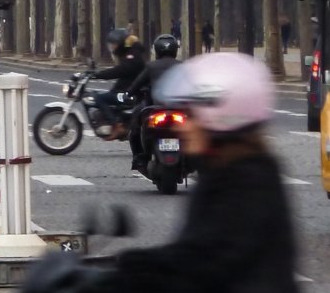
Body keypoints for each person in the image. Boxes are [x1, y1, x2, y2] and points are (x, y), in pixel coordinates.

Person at [91, 52, 299, 292]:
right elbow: (190, 254)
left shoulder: (248, 182)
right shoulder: (227, 172)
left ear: (221, 119)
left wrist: (115, 278)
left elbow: (201, 264)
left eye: (193, 116)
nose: (186, 126)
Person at [125, 34, 181, 171]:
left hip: (157, 109)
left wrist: (128, 94)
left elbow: (135, 86)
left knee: (135, 128)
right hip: (180, 109)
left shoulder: (151, 66)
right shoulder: (183, 66)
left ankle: (139, 157)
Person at [92, 28, 147, 138]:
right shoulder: (130, 53)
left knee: (99, 98)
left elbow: (120, 70)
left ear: (121, 43)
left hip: (130, 94)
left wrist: (98, 75)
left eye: (114, 44)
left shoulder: (132, 56)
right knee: (104, 95)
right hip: (128, 91)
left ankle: (116, 126)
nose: (112, 47)